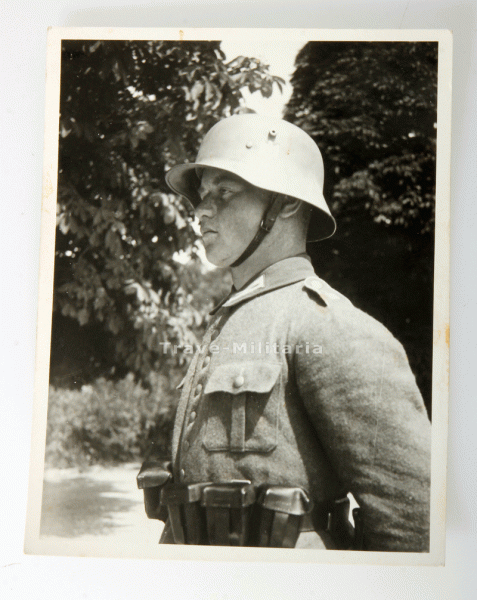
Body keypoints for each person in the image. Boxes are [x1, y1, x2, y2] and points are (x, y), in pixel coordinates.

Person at [137, 114, 431, 551]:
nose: (201, 210)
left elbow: (413, 520)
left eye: (225, 191)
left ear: (286, 203)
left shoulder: (326, 323)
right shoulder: (230, 319)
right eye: (202, 195)